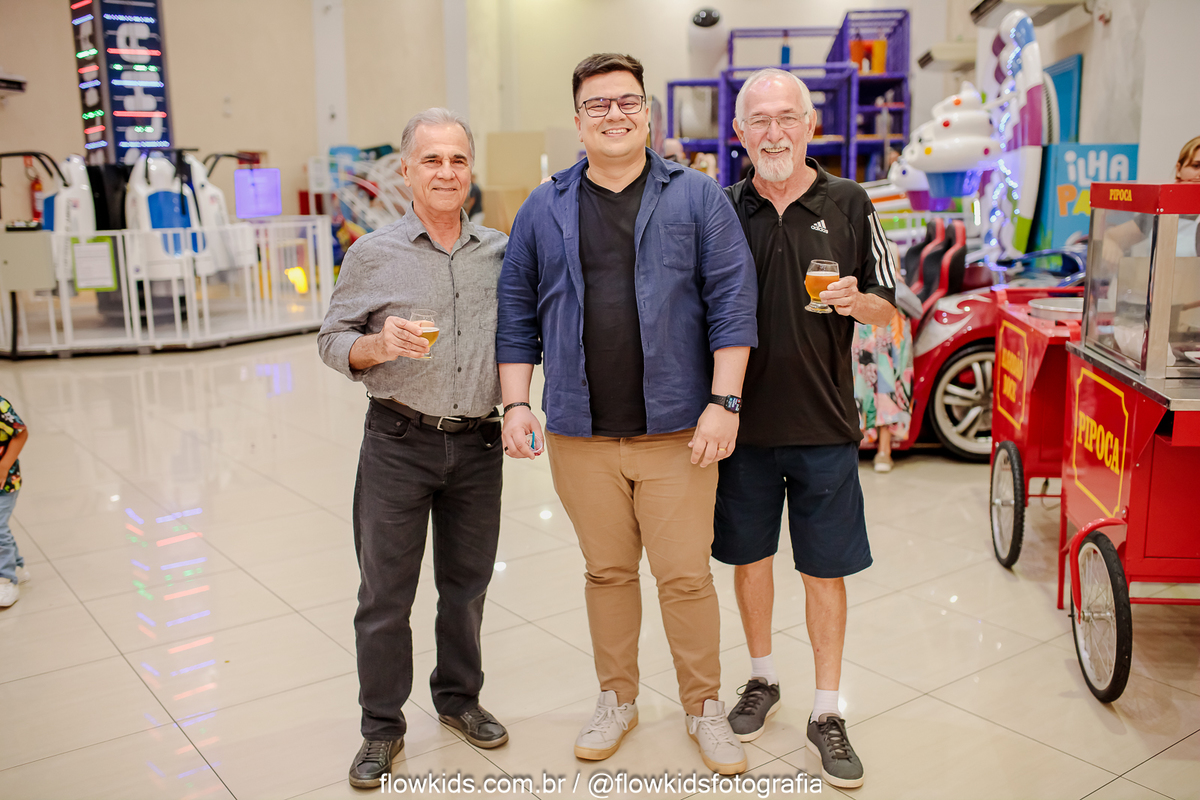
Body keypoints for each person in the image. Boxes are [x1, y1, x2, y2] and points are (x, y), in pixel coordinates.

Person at [496, 53, 758, 775]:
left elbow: (733, 303)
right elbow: (515, 313)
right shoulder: (542, 207)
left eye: (627, 102)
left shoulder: (697, 197)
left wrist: (724, 402)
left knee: (685, 577)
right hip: (580, 434)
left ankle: (704, 706)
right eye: (598, 104)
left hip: (678, 432)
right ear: (578, 120)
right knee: (607, 573)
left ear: (647, 113)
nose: (614, 114)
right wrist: (515, 403)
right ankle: (617, 698)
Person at [715, 68, 898, 790]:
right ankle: (762, 678)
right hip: (743, 428)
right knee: (749, 559)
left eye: (786, 117)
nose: (774, 133)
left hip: (824, 424)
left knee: (825, 569)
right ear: (739, 133)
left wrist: (860, 303)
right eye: (759, 120)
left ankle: (827, 710)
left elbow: (890, 307)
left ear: (809, 125)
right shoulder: (722, 207)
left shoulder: (850, 202)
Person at [318, 108, 510, 790]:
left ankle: (458, 699)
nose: (446, 172)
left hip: (479, 443)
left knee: (467, 588)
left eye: (458, 159)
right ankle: (381, 728)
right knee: (385, 596)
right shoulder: (373, 253)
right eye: (432, 159)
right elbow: (331, 339)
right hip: (397, 442)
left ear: (471, 169)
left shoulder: (501, 252)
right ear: (406, 170)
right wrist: (374, 346)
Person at [854, 241, 914, 473]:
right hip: (862, 321)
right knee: (861, 383)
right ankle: (861, 443)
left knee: (887, 382)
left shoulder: (888, 247)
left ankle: (884, 449)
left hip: (888, 323)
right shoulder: (851, 239)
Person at [0, 396, 29, 609]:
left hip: (5, 484)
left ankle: (6, 579)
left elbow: (21, 432)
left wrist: (3, 467)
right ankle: (17, 565)